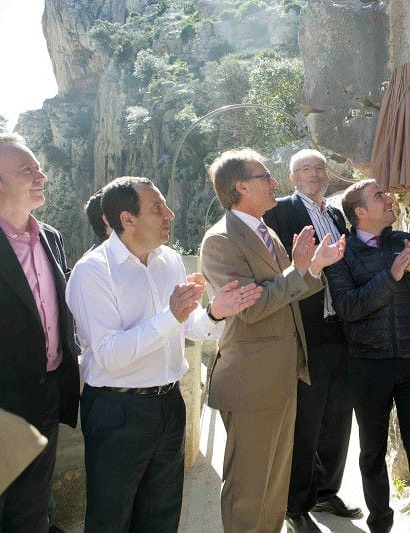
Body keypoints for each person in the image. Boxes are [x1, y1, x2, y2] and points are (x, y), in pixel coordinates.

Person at [66, 176, 262, 532]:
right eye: (157, 207)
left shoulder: (169, 259)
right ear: (127, 219)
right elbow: (110, 355)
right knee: (111, 518)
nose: (169, 213)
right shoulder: (92, 272)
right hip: (118, 412)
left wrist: (216, 312)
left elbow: (187, 330)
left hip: (170, 405)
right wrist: (171, 316)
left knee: (162, 515)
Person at [199, 148, 346, 533]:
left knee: (274, 487)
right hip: (251, 381)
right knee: (249, 489)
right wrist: (301, 271)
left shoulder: (265, 233)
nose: (275, 183)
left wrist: (314, 267)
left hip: (282, 375)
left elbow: (290, 290)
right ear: (241, 187)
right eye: (266, 177)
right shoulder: (221, 241)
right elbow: (252, 306)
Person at [326, 179, 410, 533]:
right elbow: (348, 307)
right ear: (360, 212)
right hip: (367, 366)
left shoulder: (403, 240)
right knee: (372, 451)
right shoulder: (340, 252)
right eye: (380, 196)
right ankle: (380, 522)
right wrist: (391, 276)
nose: (390, 199)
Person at [263, 148, 361, 531]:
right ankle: (296, 504)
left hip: (341, 326)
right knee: (305, 420)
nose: (315, 174)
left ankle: (326, 491)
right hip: (306, 328)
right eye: (306, 168)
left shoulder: (335, 213)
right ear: (293, 178)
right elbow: (274, 269)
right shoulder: (280, 212)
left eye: (320, 167)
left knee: (338, 415)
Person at [0, 133, 81, 533]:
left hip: (47, 396)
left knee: (32, 508)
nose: (41, 175)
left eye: (39, 167)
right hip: (2, 405)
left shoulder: (51, 237)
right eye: (26, 170)